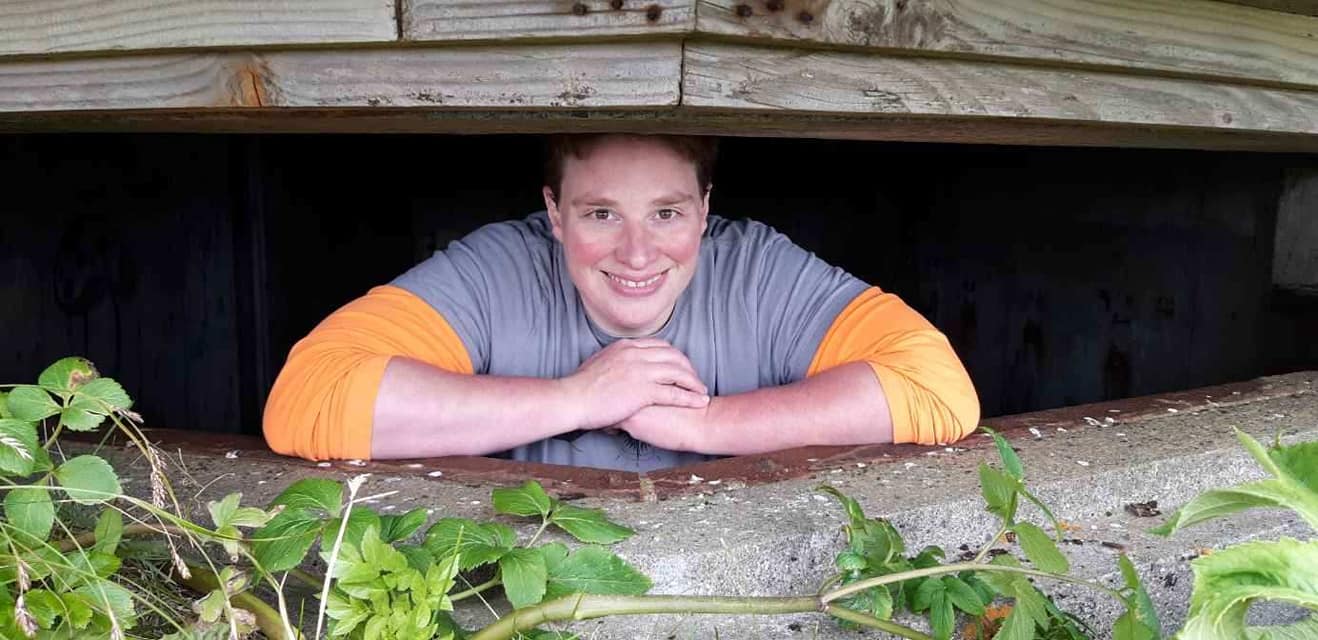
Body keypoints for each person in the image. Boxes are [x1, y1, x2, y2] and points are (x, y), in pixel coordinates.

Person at [263, 134, 979, 471]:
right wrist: (578, 398)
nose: (637, 255)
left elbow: (937, 390)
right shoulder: (497, 267)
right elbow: (308, 396)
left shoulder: (757, 267)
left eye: (665, 214)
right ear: (555, 213)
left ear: (704, 209)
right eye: (602, 214)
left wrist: (704, 424)